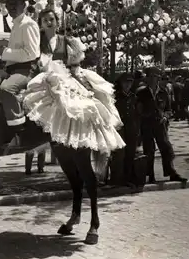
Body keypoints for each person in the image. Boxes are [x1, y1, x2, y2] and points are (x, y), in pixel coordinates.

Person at [21, 8, 125, 156]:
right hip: (43, 79)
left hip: (65, 79)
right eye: (45, 21)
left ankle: (86, 140)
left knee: (85, 106)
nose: (49, 23)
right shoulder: (37, 43)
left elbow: (74, 64)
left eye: (52, 19)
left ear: (57, 22)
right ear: (41, 24)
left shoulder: (67, 41)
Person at [0, 0, 41, 151]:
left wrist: (5, 53)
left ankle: (20, 134)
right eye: (8, 4)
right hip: (14, 70)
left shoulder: (28, 24)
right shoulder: (16, 25)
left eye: (15, 3)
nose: (11, 7)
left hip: (26, 70)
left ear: (24, 4)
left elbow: (31, 53)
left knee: (6, 90)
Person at [136, 67, 187, 184]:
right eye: (151, 77)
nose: (154, 79)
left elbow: (169, 110)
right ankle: (150, 176)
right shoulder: (141, 93)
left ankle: (171, 173)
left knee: (167, 148)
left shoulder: (163, 92)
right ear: (147, 79)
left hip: (160, 124)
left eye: (156, 77)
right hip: (147, 125)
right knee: (149, 151)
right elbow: (137, 109)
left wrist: (165, 117)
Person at [114, 73, 140, 187]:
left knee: (130, 153)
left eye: (130, 82)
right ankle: (116, 179)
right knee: (119, 154)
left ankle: (127, 178)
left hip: (131, 127)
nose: (127, 85)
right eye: (125, 82)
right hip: (119, 128)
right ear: (120, 83)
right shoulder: (115, 97)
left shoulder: (134, 97)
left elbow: (137, 114)